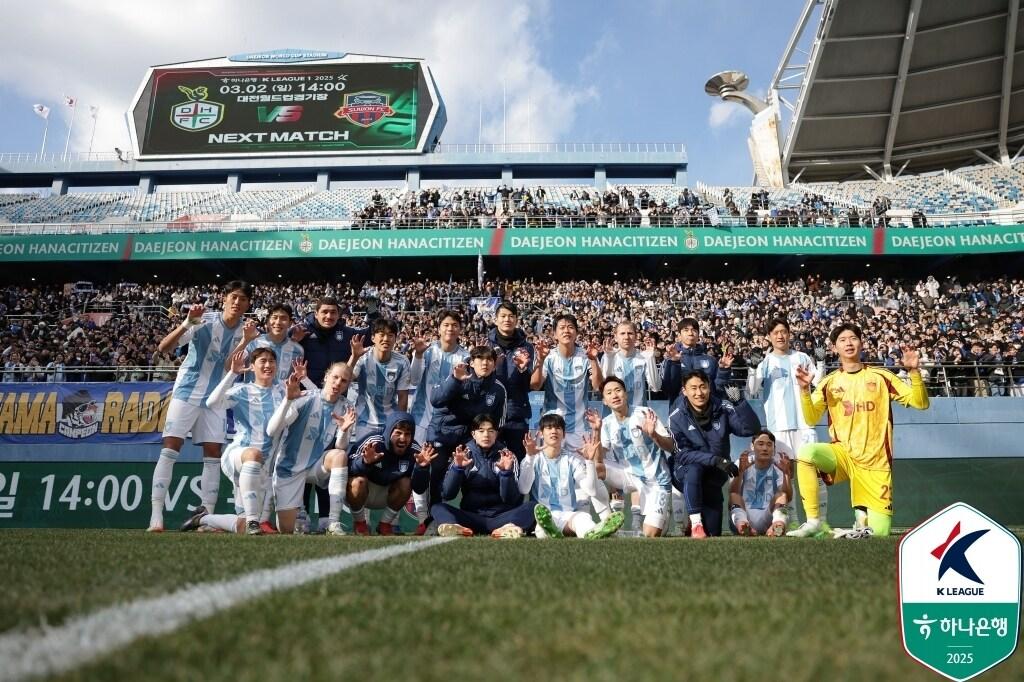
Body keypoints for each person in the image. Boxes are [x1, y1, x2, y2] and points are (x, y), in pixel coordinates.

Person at [790, 323, 929, 539]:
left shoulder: (882, 377)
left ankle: (861, 515)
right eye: (842, 340)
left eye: (853, 338)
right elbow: (810, 417)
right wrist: (805, 390)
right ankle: (814, 521)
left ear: (861, 343)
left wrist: (914, 372)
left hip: (876, 463)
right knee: (806, 454)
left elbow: (920, 403)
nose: (848, 343)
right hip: (844, 455)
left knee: (880, 534)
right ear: (835, 347)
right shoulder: (829, 383)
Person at [148, 280, 252, 533]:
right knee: (171, 447)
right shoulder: (204, 320)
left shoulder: (247, 332)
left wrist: (245, 342)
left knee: (213, 453)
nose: (237, 302)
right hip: (187, 392)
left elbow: (230, 367)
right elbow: (164, 347)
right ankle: (156, 516)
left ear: (248, 304)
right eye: (233, 297)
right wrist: (187, 322)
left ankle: (207, 517)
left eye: (243, 299)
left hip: (215, 397)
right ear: (224, 298)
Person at [179, 347, 285, 535]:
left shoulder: (283, 393)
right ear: (252, 367)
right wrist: (231, 374)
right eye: (262, 361)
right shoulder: (242, 390)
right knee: (253, 454)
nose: (268, 365)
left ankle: (204, 520)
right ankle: (253, 521)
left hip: (264, 467)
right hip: (239, 454)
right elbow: (211, 403)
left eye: (271, 361)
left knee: (242, 527)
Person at [746, 317, 827, 525]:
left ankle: (818, 521)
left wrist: (820, 362)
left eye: (783, 331)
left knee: (814, 474)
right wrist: (753, 368)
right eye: (775, 333)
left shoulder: (802, 357)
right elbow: (752, 390)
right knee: (784, 475)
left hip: (804, 424)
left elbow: (818, 382)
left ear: (789, 334)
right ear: (769, 337)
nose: (780, 335)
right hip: (779, 427)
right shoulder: (766, 362)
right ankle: (790, 522)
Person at [264, 362, 357, 535]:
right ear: (326, 377)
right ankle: (298, 513)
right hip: (289, 468)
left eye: (344, 381)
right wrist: (288, 400)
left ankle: (333, 523)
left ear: (347, 386)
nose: (338, 383)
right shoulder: (305, 397)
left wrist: (344, 431)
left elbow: (340, 446)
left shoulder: (347, 407)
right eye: (335, 377)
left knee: (339, 456)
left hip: (316, 466)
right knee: (286, 530)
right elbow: (272, 430)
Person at [425, 345, 508, 531]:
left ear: (495, 364)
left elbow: (498, 423)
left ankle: (471, 516)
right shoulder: (459, 375)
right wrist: (454, 380)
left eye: (489, 360)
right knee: (437, 470)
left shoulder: (498, 389)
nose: (484, 363)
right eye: (480, 359)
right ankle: (431, 519)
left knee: (474, 472)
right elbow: (436, 399)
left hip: (468, 438)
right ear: (471, 362)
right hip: (442, 433)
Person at [669, 370, 760, 538]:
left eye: (703, 387)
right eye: (693, 388)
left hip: (713, 477)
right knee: (694, 469)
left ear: (709, 387)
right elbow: (682, 454)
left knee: (713, 533)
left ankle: (697, 520)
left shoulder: (723, 408)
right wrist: (717, 460)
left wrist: (740, 403)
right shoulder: (676, 416)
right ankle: (696, 523)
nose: (698, 393)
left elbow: (750, 429)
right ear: (684, 391)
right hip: (685, 473)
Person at [585, 377, 674, 537]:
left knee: (650, 534)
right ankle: (607, 520)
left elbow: (671, 446)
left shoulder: (645, 413)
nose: (615, 395)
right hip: (628, 475)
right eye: (609, 393)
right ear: (605, 401)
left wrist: (654, 435)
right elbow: (599, 461)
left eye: (618, 390)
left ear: (626, 394)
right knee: (593, 468)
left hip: (656, 480)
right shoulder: (606, 423)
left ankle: (663, 517)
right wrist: (596, 431)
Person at [408, 310, 470, 527]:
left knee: (437, 472)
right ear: (439, 328)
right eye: (446, 324)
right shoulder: (427, 350)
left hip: (445, 424)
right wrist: (416, 355)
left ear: (460, 329)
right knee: (420, 466)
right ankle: (422, 517)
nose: (450, 328)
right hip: (420, 418)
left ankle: (434, 517)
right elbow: (414, 379)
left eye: (454, 325)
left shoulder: (465, 356)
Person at [517, 412, 624, 539]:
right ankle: (559, 530)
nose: (554, 431)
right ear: (540, 433)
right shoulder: (533, 458)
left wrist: (589, 461)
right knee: (542, 529)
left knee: (583, 519)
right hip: (544, 516)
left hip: (569, 515)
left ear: (564, 434)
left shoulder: (572, 460)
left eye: (558, 428)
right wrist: (529, 457)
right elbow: (524, 489)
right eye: (549, 428)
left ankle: (594, 531)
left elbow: (591, 490)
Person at [432, 414, 536, 538]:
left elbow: (511, 499)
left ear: (496, 434)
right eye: (481, 431)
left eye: (491, 431)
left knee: (532, 507)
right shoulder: (464, 455)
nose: (486, 435)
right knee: (437, 507)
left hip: (501, 518)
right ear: (473, 434)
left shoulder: (508, 456)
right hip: (471, 517)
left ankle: (508, 528)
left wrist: (506, 473)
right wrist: (457, 468)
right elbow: (448, 494)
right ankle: (456, 527)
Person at [347, 411, 435, 536]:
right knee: (357, 481)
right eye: (398, 433)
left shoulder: (415, 450)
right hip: (364, 492)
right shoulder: (373, 442)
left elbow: (419, 488)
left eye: (407, 434)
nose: (403, 438)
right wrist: (365, 462)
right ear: (388, 432)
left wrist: (422, 468)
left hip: (387, 496)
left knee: (406, 483)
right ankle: (360, 523)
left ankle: (385, 525)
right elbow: (348, 466)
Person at [529, 314, 603, 453]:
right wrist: (540, 361)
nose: (566, 331)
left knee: (582, 469)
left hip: (580, 425)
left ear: (576, 332)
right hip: (552, 425)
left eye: (570, 327)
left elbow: (598, 387)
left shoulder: (587, 356)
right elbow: (535, 385)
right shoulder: (548, 356)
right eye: (562, 328)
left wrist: (593, 360)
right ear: (555, 334)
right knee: (552, 469)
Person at [349, 318, 411, 441]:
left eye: (390, 335)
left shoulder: (402, 361)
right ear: (373, 338)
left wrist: (399, 422)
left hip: (390, 422)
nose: (386, 339)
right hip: (364, 421)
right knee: (366, 459)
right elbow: (347, 377)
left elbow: (403, 397)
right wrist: (354, 357)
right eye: (381, 335)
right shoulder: (362, 357)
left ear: (395, 339)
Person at [487, 302, 535, 460]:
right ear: (496, 319)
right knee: (492, 464)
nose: (507, 319)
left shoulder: (527, 348)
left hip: (517, 414)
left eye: (511, 316)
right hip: (490, 415)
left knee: (519, 462)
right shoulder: (486, 345)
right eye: (503, 316)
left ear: (516, 320)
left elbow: (531, 385)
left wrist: (522, 370)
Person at [729, 430, 792, 537]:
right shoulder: (743, 462)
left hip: (768, 516)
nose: (765, 448)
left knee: (782, 495)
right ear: (752, 447)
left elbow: (788, 497)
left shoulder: (778, 465)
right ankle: (743, 526)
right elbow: (733, 492)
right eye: (760, 444)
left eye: (769, 445)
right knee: (734, 496)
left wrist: (786, 474)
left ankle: (778, 526)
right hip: (745, 514)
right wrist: (740, 472)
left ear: (774, 449)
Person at [600, 320, 661, 408]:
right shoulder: (609, 356)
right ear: (616, 337)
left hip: (639, 414)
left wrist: (650, 359)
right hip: (614, 415)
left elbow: (656, 387)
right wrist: (609, 358)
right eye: (622, 333)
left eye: (630, 333)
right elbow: (605, 385)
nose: (626, 337)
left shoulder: (644, 357)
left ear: (636, 337)